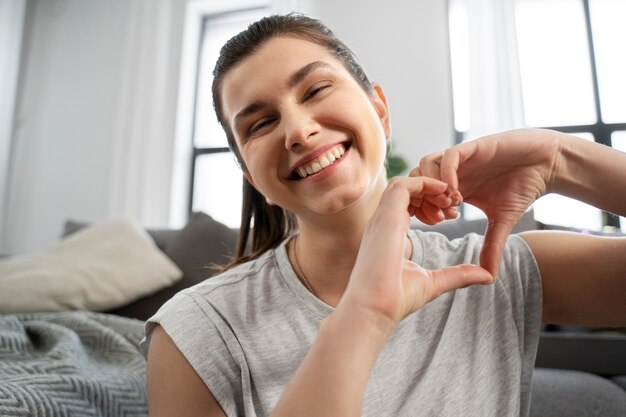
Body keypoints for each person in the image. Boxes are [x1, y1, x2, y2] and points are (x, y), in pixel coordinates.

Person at [140, 13, 626, 417]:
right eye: (261, 122)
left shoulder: (495, 271)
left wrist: (562, 160)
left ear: (380, 109)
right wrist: (363, 316)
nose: (298, 130)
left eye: (314, 90)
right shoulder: (194, 332)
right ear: (253, 179)